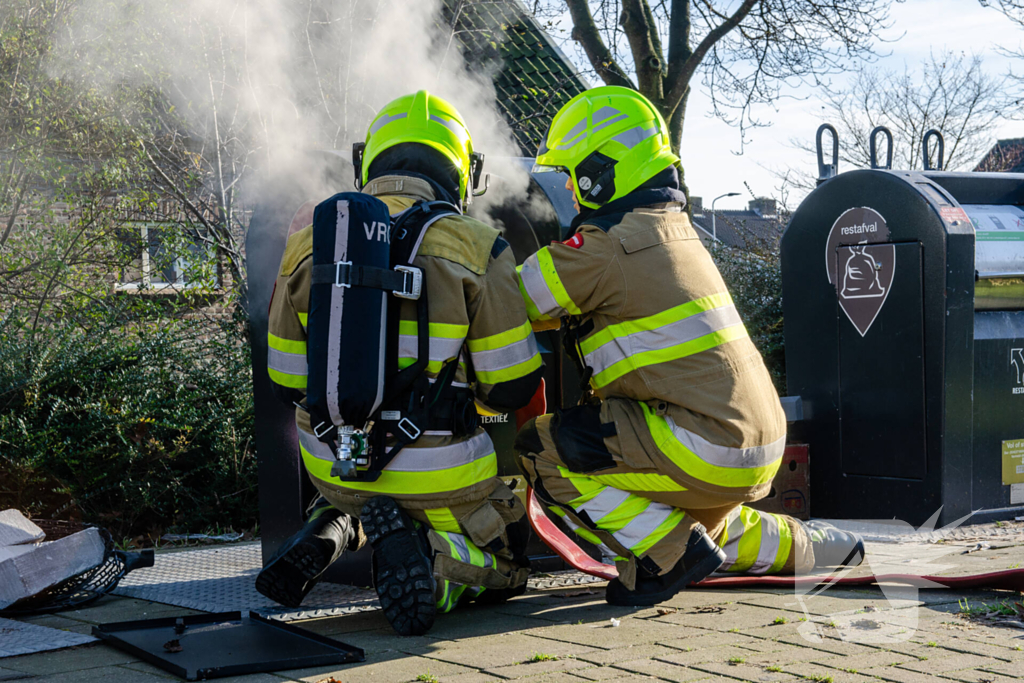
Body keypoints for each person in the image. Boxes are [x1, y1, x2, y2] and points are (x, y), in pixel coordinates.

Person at [514, 86, 863, 607]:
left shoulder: (605, 246)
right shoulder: (674, 229)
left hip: (702, 443)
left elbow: (507, 301)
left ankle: (670, 556)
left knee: (541, 448)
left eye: (571, 176)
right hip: (751, 441)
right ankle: (827, 548)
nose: (568, 189)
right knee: (705, 525)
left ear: (599, 172)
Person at [261, 90, 544, 634]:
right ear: (464, 172)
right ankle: (439, 571)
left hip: (332, 460)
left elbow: (286, 382)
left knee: (363, 495)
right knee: (509, 557)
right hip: (442, 470)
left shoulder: (305, 245)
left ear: (368, 161)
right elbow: (510, 388)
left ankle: (328, 530)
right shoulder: (480, 247)